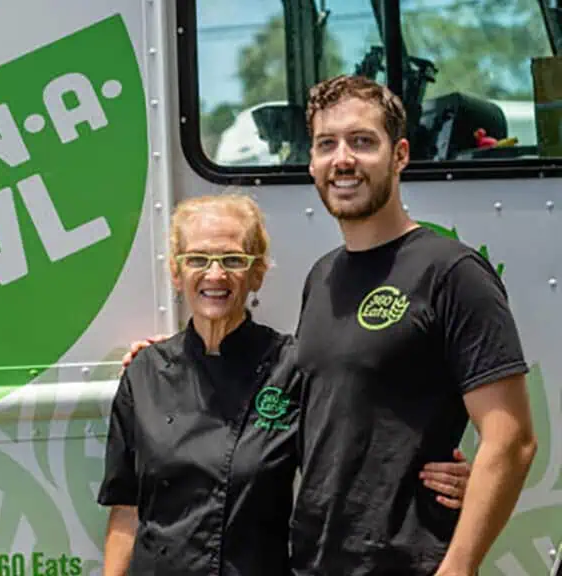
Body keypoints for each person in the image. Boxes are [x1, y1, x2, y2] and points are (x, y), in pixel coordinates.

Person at [97, 193, 471, 576]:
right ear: (176, 273)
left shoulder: (293, 366)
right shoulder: (143, 373)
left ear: (257, 273)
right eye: (197, 259)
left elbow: (358, 457)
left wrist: (447, 481)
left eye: (233, 260)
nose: (214, 275)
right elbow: (126, 510)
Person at [290, 75, 537, 575]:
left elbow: (511, 439)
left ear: (400, 155)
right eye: (326, 144)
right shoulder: (322, 276)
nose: (343, 160)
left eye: (362, 141)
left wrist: (458, 567)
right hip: (316, 563)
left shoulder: (451, 272)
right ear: (312, 161)